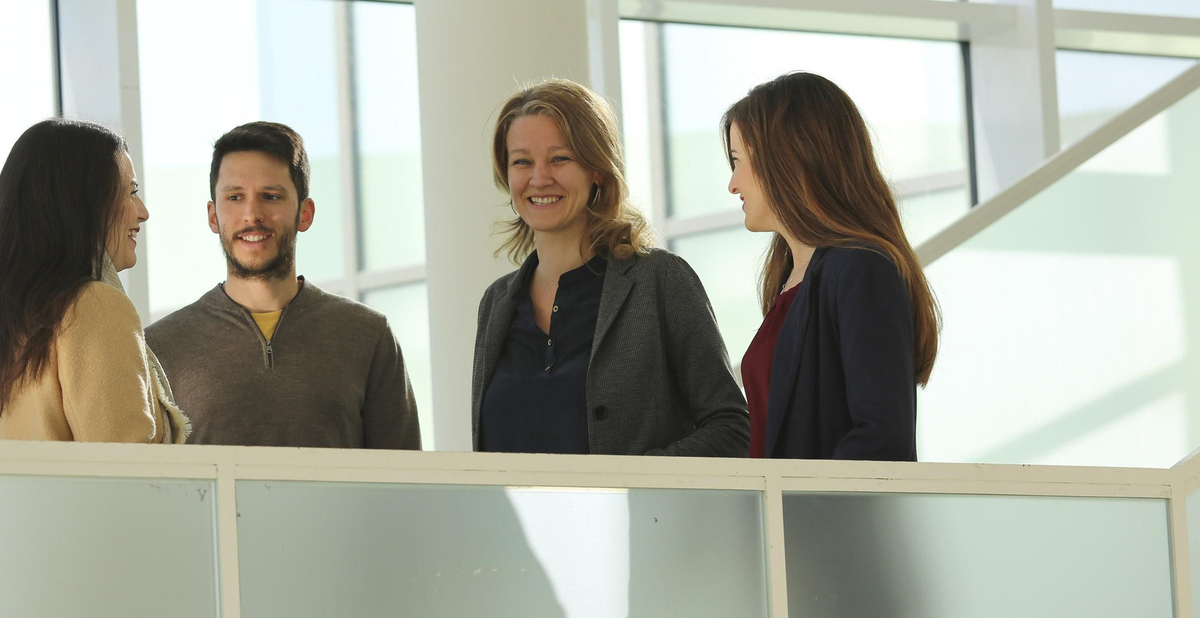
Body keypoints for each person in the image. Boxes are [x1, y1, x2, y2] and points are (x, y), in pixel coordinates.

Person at [473, 79, 749, 457]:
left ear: (597, 169)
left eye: (560, 158)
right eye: (522, 161)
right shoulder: (496, 304)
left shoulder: (660, 281)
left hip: (641, 517)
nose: (539, 178)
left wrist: (633, 485)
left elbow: (733, 428)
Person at [145, 121, 422, 449]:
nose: (252, 214)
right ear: (213, 216)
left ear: (305, 213)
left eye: (271, 196)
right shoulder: (160, 347)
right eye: (235, 197)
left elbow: (404, 482)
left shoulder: (368, 336)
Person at [723, 71, 939, 461]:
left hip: (829, 520)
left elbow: (881, 438)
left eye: (738, 161)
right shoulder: (790, 282)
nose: (733, 184)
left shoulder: (861, 270)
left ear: (787, 159)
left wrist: (805, 511)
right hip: (787, 517)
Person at [0, 118, 188, 443]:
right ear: (82, 204)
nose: (142, 212)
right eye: (129, 193)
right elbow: (130, 475)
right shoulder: (93, 308)